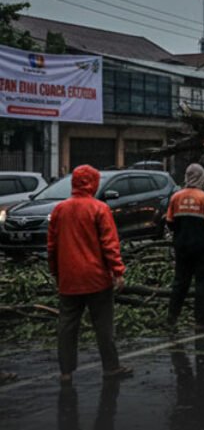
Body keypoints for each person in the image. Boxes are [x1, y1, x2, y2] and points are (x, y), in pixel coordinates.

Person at [47, 164, 132, 384]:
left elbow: (52, 247)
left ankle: (66, 372)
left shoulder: (59, 210)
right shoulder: (99, 209)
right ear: (93, 183)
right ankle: (111, 367)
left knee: (67, 326)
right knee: (103, 325)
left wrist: (56, 273)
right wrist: (118, 271)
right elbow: (109, 244)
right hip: (96, 278)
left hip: (69, 279)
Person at [166, 163, 204, 329]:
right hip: (202, 248)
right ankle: (201, 322)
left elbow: (170, 223)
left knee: (180, 282)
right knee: (202, 284)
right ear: (201, 178)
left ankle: (171, 319)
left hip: (181, 247)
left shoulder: (175, 197)